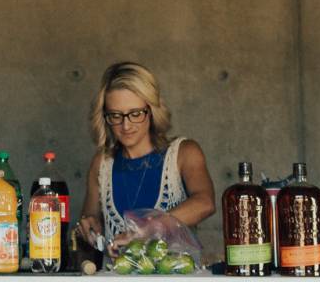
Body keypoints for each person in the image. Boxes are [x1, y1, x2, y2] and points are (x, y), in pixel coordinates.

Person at [74, 61, 216, 252]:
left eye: (135, 113)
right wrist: (87, 229)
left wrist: (147, 230)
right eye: (116, 116)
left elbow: (205, 203)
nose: (126, 126)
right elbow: (88, 225)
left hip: (178, 281)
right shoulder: (102, 164)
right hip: (116, 281)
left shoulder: (184, 153)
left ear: (152, 110)